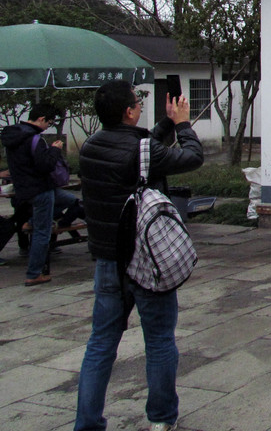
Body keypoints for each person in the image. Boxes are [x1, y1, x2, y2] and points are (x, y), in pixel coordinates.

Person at [75, 81, 204, 431]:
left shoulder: (89, 148)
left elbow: (141, 145)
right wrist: (182, 125)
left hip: (107, 263)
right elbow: (192, 157)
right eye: (136, 104)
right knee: (160, 341)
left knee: (100, 343)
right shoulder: (143, 149)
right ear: (129, 111)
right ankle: (161, 419)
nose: (138, 107)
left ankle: (87, 423)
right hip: (147, 260)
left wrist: (164, 123)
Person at [1, 102, 80, 285]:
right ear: (42, 119)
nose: (48, 126)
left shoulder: (15, 136)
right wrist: (54, 150)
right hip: (40, 189)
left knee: (69, 199)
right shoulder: (35, 139)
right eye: (49, 123)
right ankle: (34, 273)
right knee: (42, 233)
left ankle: (31, 222)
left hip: (24, 188)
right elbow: (45, 165)